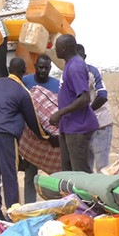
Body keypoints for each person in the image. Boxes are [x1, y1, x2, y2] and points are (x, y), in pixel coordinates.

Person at [0, 58, 54, 219]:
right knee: (9, 174)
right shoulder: (22, 92)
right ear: (24, 72)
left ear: (8, 69)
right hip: (5, 135)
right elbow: (33, 121)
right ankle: (12, 214)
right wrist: (47, 137)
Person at [49, 35, 99, 173]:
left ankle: (85, 195)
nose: (54, 50)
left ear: (63, 48)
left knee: (80, 173)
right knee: (68, 171)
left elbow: (84, 98)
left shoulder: (75, 66)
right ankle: (71, 195)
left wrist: (60, 113)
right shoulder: (69, 65)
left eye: (56, 47)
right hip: (69, 126)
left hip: (78, 127)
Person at [20, 54, 60, 203]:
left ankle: (56, 204)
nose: (43, 71)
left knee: (56, 174)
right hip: (32, 137)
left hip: (52, 139)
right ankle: (29, 205)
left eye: (46, 68)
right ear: (36, 67)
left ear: (50, 68)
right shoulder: (25, 81)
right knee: (30, 174)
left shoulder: (56, 85)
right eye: (40, 67)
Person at [76, 44, 114, 173]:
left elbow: (102, 96)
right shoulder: (67, 74)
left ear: (84, 57)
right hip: (83, 128)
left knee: (102, 168)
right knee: (86, 170)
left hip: (100, 125)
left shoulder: (92, 72)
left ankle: (102, 194)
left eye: (79, 57)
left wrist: (87, 113)